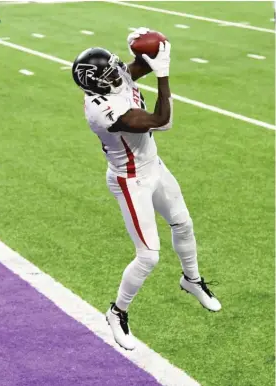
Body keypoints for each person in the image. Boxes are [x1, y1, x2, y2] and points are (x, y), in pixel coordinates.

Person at [71, 28, 221, 350]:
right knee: (149, 256)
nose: (118, 73)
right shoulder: (103, 112)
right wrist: (164, 75)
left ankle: (191, 280)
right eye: (109, 71)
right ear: (95, 83)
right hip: (130, 179)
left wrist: (151, 48)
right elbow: (162, 119)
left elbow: (139, 66)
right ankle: (117, 311)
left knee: (183, 223)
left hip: (153, 165)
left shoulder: (110, 80)